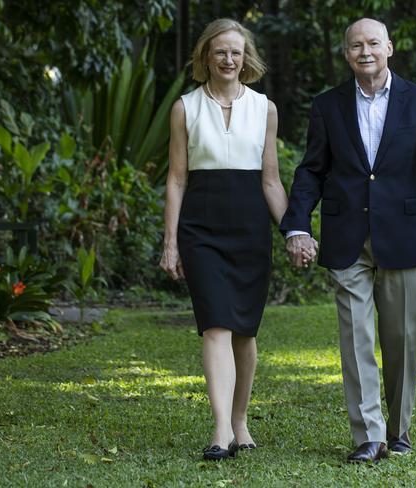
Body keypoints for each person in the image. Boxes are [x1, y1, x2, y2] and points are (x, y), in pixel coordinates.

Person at [281, 18, 416, 462]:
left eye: (373, 44)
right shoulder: (327, 106)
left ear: (389, 48)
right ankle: (369, 436)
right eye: (356, 45)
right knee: (355, 337)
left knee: (401, 338)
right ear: (346, 54)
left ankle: (398, 431)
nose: (365, 51)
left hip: (403, 238)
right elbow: (311, 171)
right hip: (347, 239)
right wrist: (297, 224)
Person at [159, 18, 313, 460]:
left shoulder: (264, 107)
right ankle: (221, 429)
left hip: (249, 230)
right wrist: (170, 241)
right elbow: (175, 179)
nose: (229, 59)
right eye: (220, 51)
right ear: (205, 56)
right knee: (216, 325)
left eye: (236, 52)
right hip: (200, 229)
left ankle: (241, 420)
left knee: (245, 332)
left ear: (246, 59)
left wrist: (294, 231)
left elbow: (270, 180)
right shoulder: (185, 108)